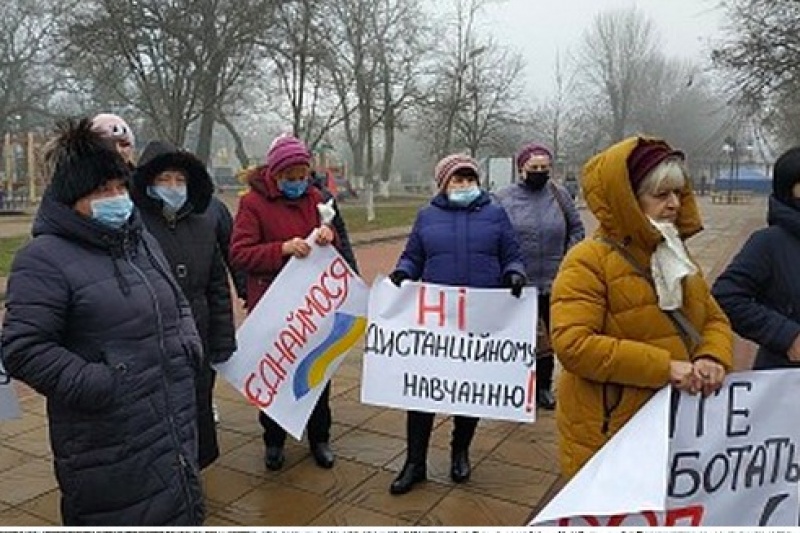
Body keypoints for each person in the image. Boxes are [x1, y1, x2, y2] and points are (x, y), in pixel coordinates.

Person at [0, 119, 205, 525]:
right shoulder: (43, 258)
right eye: (100, 191)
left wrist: (188, 340)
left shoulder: (139, 239)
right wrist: (104, 383)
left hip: (171, 419)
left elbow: (176, 300)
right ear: (70, 197)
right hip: (105, 438)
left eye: (120, 187)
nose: (116, 198)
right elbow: (22, 347)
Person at [550, 136, 733, 479]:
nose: (675, 204)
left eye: (678, 193)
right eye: (661, 195)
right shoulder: (588, 261)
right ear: (628, 201)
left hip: (673, 423)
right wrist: (665, 368)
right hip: (610, 432)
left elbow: (713, 317)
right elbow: (573, 346)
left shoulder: (674, 252)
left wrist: (711, 356)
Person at [387, 153, 527, 495]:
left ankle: (460, 451)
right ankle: (415, 462)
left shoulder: (495, 214)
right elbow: (413, 255)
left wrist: (514, 273)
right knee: (423, 391)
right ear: (443, 184)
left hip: (480, 316)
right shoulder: (426, 216)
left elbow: (511, 254)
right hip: (438, 321)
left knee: (470, 391)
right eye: (456, 179)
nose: (463, 185)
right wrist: (404, 272)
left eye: (469, 179)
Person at [230, 135, 338, 472]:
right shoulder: (252, 204)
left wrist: (326, 236)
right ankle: (273, 441)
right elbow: (240, 253)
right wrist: (282, 249)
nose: (297, 184)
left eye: (302, 176)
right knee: (274, 375)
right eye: (289, 178)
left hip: (310, 305)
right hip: (273, 304)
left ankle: (319, 437)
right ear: (275, 175)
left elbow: (328, 237)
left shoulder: (316, 198)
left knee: (317, 371)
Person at [131, 140, 236, 469]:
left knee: (197, 404)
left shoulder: (204, 221)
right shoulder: (132, 223)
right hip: (150, 338)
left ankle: (195, 470)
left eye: (180, 180)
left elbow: (217, 285)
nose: (173, 187)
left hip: (199, 335)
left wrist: (222, 339)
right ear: (148, 184)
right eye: (164, 180)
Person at [494, 143, 585, 410]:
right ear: (521, 169)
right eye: (534, 168)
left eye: (545, 168)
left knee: (548, 339)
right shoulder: (502, 198)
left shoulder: (559, 195)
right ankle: (512, 386)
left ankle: (543, 386)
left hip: (555, 280)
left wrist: (569, 259)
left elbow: (577, 229)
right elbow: (496, 235)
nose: (540, 172)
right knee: (518, 338)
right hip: (517, 283)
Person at [712, 147, 800, 369]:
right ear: (789, 190)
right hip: (785, 382)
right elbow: (726, 296)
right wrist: (787, 336)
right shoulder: (768, 242)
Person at [310, 168, 359, 273]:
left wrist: (351, 270)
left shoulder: (324, 196)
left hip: (323, 272)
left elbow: (341, 234)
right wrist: (283, 249)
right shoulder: (267, 204)